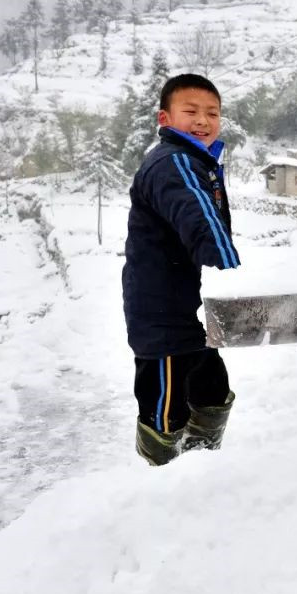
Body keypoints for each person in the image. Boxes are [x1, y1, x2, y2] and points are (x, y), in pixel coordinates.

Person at [121, 74, 241, 466]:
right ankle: (162, 479)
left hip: (183, 307)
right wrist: (231, 272)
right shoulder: (175, 162)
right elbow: (200, 218)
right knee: (165, 412)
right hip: (161, 317)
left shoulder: (194, 160)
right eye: (190, 112)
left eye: (212, 113)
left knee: (212, 390)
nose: (203, 121)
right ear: (166, 118)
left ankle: (201, 472)